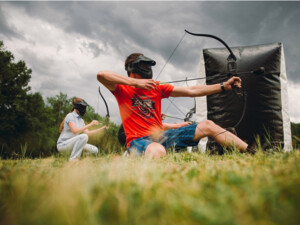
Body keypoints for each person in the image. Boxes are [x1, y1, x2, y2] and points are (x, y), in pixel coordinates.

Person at [97, 53, 255, 158]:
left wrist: (223, 86)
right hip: (138, 141)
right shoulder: (121, 89)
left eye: (149, 67)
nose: (148, 70)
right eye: (143, 66)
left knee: (208, 125)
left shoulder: (156, 87)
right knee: (158, 151)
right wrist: (135, 82)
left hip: (161, 137)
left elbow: (192, 90)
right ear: (132, 69)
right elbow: (101, 75)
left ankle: (251, 152)